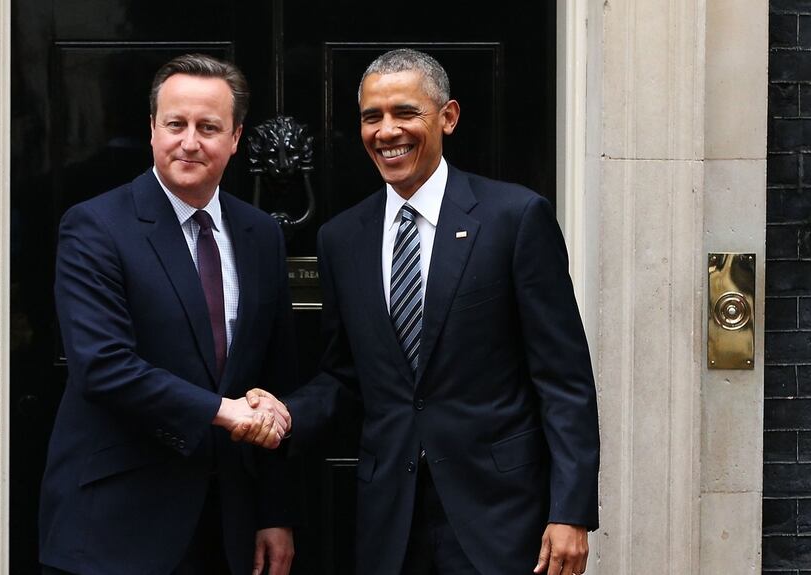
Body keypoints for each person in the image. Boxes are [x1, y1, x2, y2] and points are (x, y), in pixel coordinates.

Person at [242, 48, 600, 575]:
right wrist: (285, 413)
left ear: (447, 117)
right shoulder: (341, 238)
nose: (387, 131)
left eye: (405, 113)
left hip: (500, 515)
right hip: (390, 519)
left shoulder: (515, 218)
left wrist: (570, 511)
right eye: (372, 117)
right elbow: (345, 376)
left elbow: (564, 379)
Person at [39, 53, 296, 575]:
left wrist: (274, 513)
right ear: (153, 129)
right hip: (116, 525)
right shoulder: (95, 227)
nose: (190, 142)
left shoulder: (260, 235)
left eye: (209, 127)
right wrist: (223, 412)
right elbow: (104, 366)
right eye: (176, 124)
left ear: (236, 137)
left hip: (226, 527)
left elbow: (274, 376)